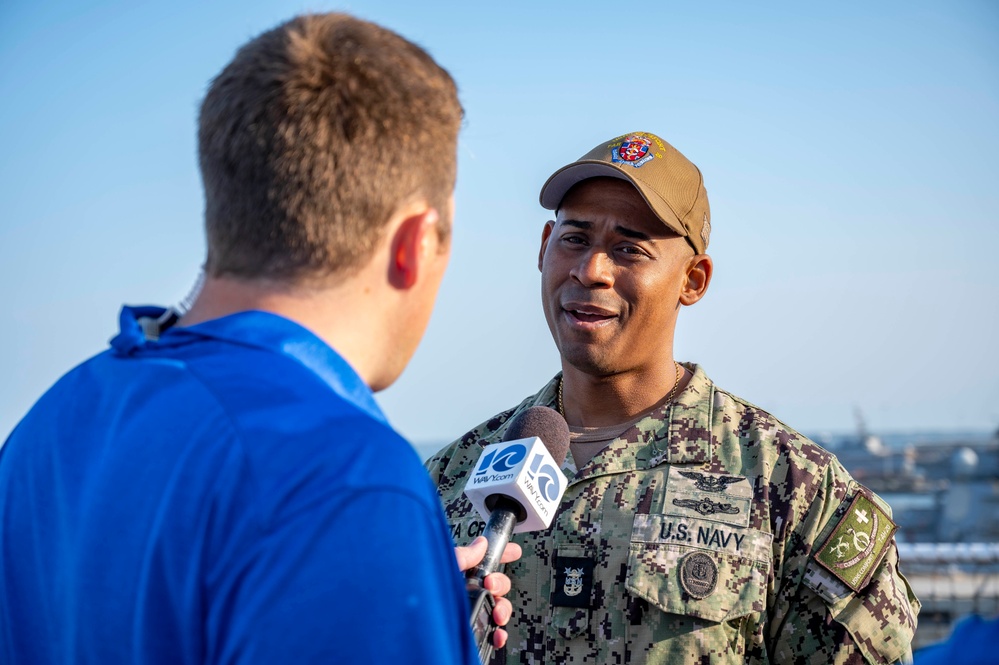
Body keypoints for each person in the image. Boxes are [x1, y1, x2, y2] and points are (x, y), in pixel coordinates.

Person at [0, 13, 518, 664]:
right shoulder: (343, 481)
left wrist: (394, 590)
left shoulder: (50, 422)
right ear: (414, 244)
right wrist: (365, 549)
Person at [427, 131, 920, 664]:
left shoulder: (794, 489)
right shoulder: (447, 481)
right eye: (574, 239)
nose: (591, 270)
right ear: (544, 246)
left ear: (693, 279)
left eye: (628, 249)